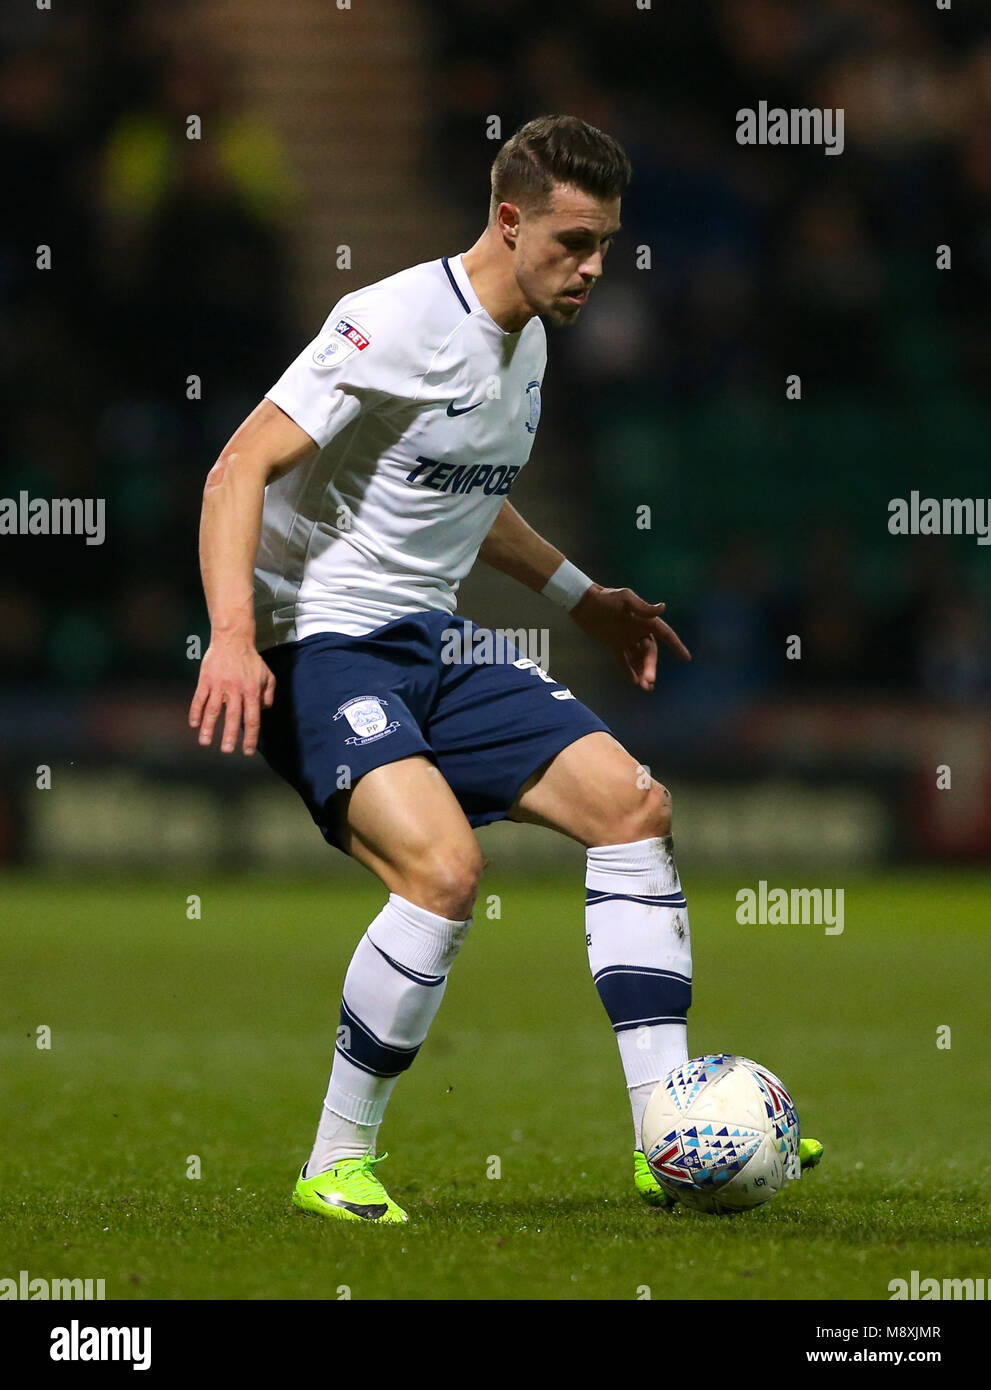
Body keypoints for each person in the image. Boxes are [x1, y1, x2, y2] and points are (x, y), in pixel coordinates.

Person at [189, 115, 820, 1223]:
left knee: (632, 808)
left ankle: (663, 1131)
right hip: (323, 646)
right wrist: (234, 635)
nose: (592, 269)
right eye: (574, 242)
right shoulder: (390, 322)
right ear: (509, 218)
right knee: (441, 872)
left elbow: (468, 499)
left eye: (608, 246)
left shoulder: (523, 336)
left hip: (431, 642)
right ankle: (335, 1160)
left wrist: (589, 598)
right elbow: (236, 466)